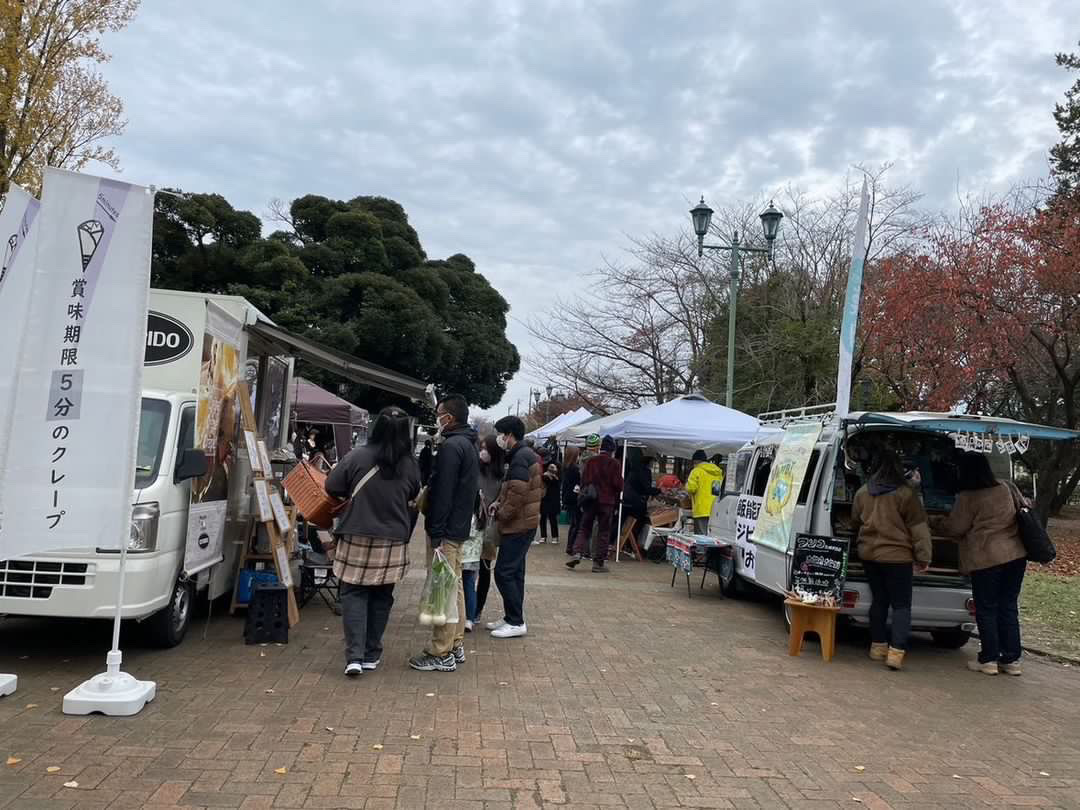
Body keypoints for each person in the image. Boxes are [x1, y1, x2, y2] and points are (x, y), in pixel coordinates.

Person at [324, 406, 420, 677]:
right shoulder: (410, 464)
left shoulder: (357, 456)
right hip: (393, 539)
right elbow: (414, 493)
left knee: (354, 594)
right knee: (381, 597)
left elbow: (332, 486)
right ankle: (371, 653)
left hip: (356, 533)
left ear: (375, 428)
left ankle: (353, 656)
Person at [934, 452, 1027, 676]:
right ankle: (1011, 660)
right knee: (1008, 607)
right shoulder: (1006, 488)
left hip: (987, 558)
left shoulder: (969, 496)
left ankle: (989, 659)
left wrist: (935, 522)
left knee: (986, 608)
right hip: (1016, 555)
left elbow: (956, 527)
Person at [409, 395, 479, 673]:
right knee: (456, 586)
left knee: (443, 590)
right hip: (459, 528)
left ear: (448, 417)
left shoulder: (451, 447)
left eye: (439, 414)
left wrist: (435, 532)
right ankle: (455, 643)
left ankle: (441, 651)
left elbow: (442, 494)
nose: (437, 418)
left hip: (446, 530)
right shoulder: (468, 445)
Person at [850, 446, 932, 671]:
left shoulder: (863, 492)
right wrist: (923, 557)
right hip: (897, 558)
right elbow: (919, 528)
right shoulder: (906, 494)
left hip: (869, 555)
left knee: (879, 601)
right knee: (901, 605)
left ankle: (877, 647)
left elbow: (855, 522)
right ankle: (896, 653)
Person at [487, 415, 542, 638]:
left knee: (504, 572)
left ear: (509, 435)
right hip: (525, 523)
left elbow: (517, 494)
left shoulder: (520, 457)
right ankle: (512, 617)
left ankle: (516, 621)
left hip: (518, 525)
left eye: (500, 433)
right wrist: (499, 502)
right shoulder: (526, 455)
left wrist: (500, 513)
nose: (499, 438)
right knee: (515, 572)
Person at [567, 435, 623, 573]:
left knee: (584, 527)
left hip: (590, 500)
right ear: (612, 449)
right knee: (603, 532)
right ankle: (598, 563)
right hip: (607, 502)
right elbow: (619, 485)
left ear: (601, 447)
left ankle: (577, 552)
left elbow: (584, 480)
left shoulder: (591, 462)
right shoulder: (614, 463)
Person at [472, 433, 505, 626]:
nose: (482, 452)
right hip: (472, 526)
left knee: (484, 570)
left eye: (486, 448)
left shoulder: (502, 475)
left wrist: (496, 504)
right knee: (468, 568)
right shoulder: (476, 469)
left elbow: (504, 499)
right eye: (481, 448)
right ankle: (468, 607)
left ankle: (477, 610)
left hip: (489, 528)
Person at [685, 450, 724, 535]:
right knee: (712, 536)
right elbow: (718, 490)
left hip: (701, 509)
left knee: (701, 536)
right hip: (715, 509)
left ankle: (701, 549)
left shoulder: (696, 471)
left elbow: (691, 488)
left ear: (695, 461)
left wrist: (686, 485)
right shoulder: (717, 472)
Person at [623, 453, 660, 537]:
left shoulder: (635, 468)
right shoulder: (645, 471)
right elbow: (646, 488)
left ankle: (626, 544)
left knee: (626, 524)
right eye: (652, 462)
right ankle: (633, 544)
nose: (653, 464)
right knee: (637, 524)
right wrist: (659, 491)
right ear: (649, 462)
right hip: (636, 501)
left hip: (627, 499)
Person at [561, 446, 582, 554]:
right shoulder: (574, 469)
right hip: (574, 498)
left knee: (574, 523)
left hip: (568, 497)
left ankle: (570, 546)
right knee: (576, 524)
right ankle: (571, 547)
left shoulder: (566, 467)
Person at [537, 460, 561, 544]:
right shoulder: (544, 476)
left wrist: (553, 475)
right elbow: (543, 479)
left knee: (552, 518)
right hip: (545, 498)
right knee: (543, 518)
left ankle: (554, 536)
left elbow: (556, 481)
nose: (551, 469)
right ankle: (543, 536)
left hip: (552, 499)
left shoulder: (557, 478)